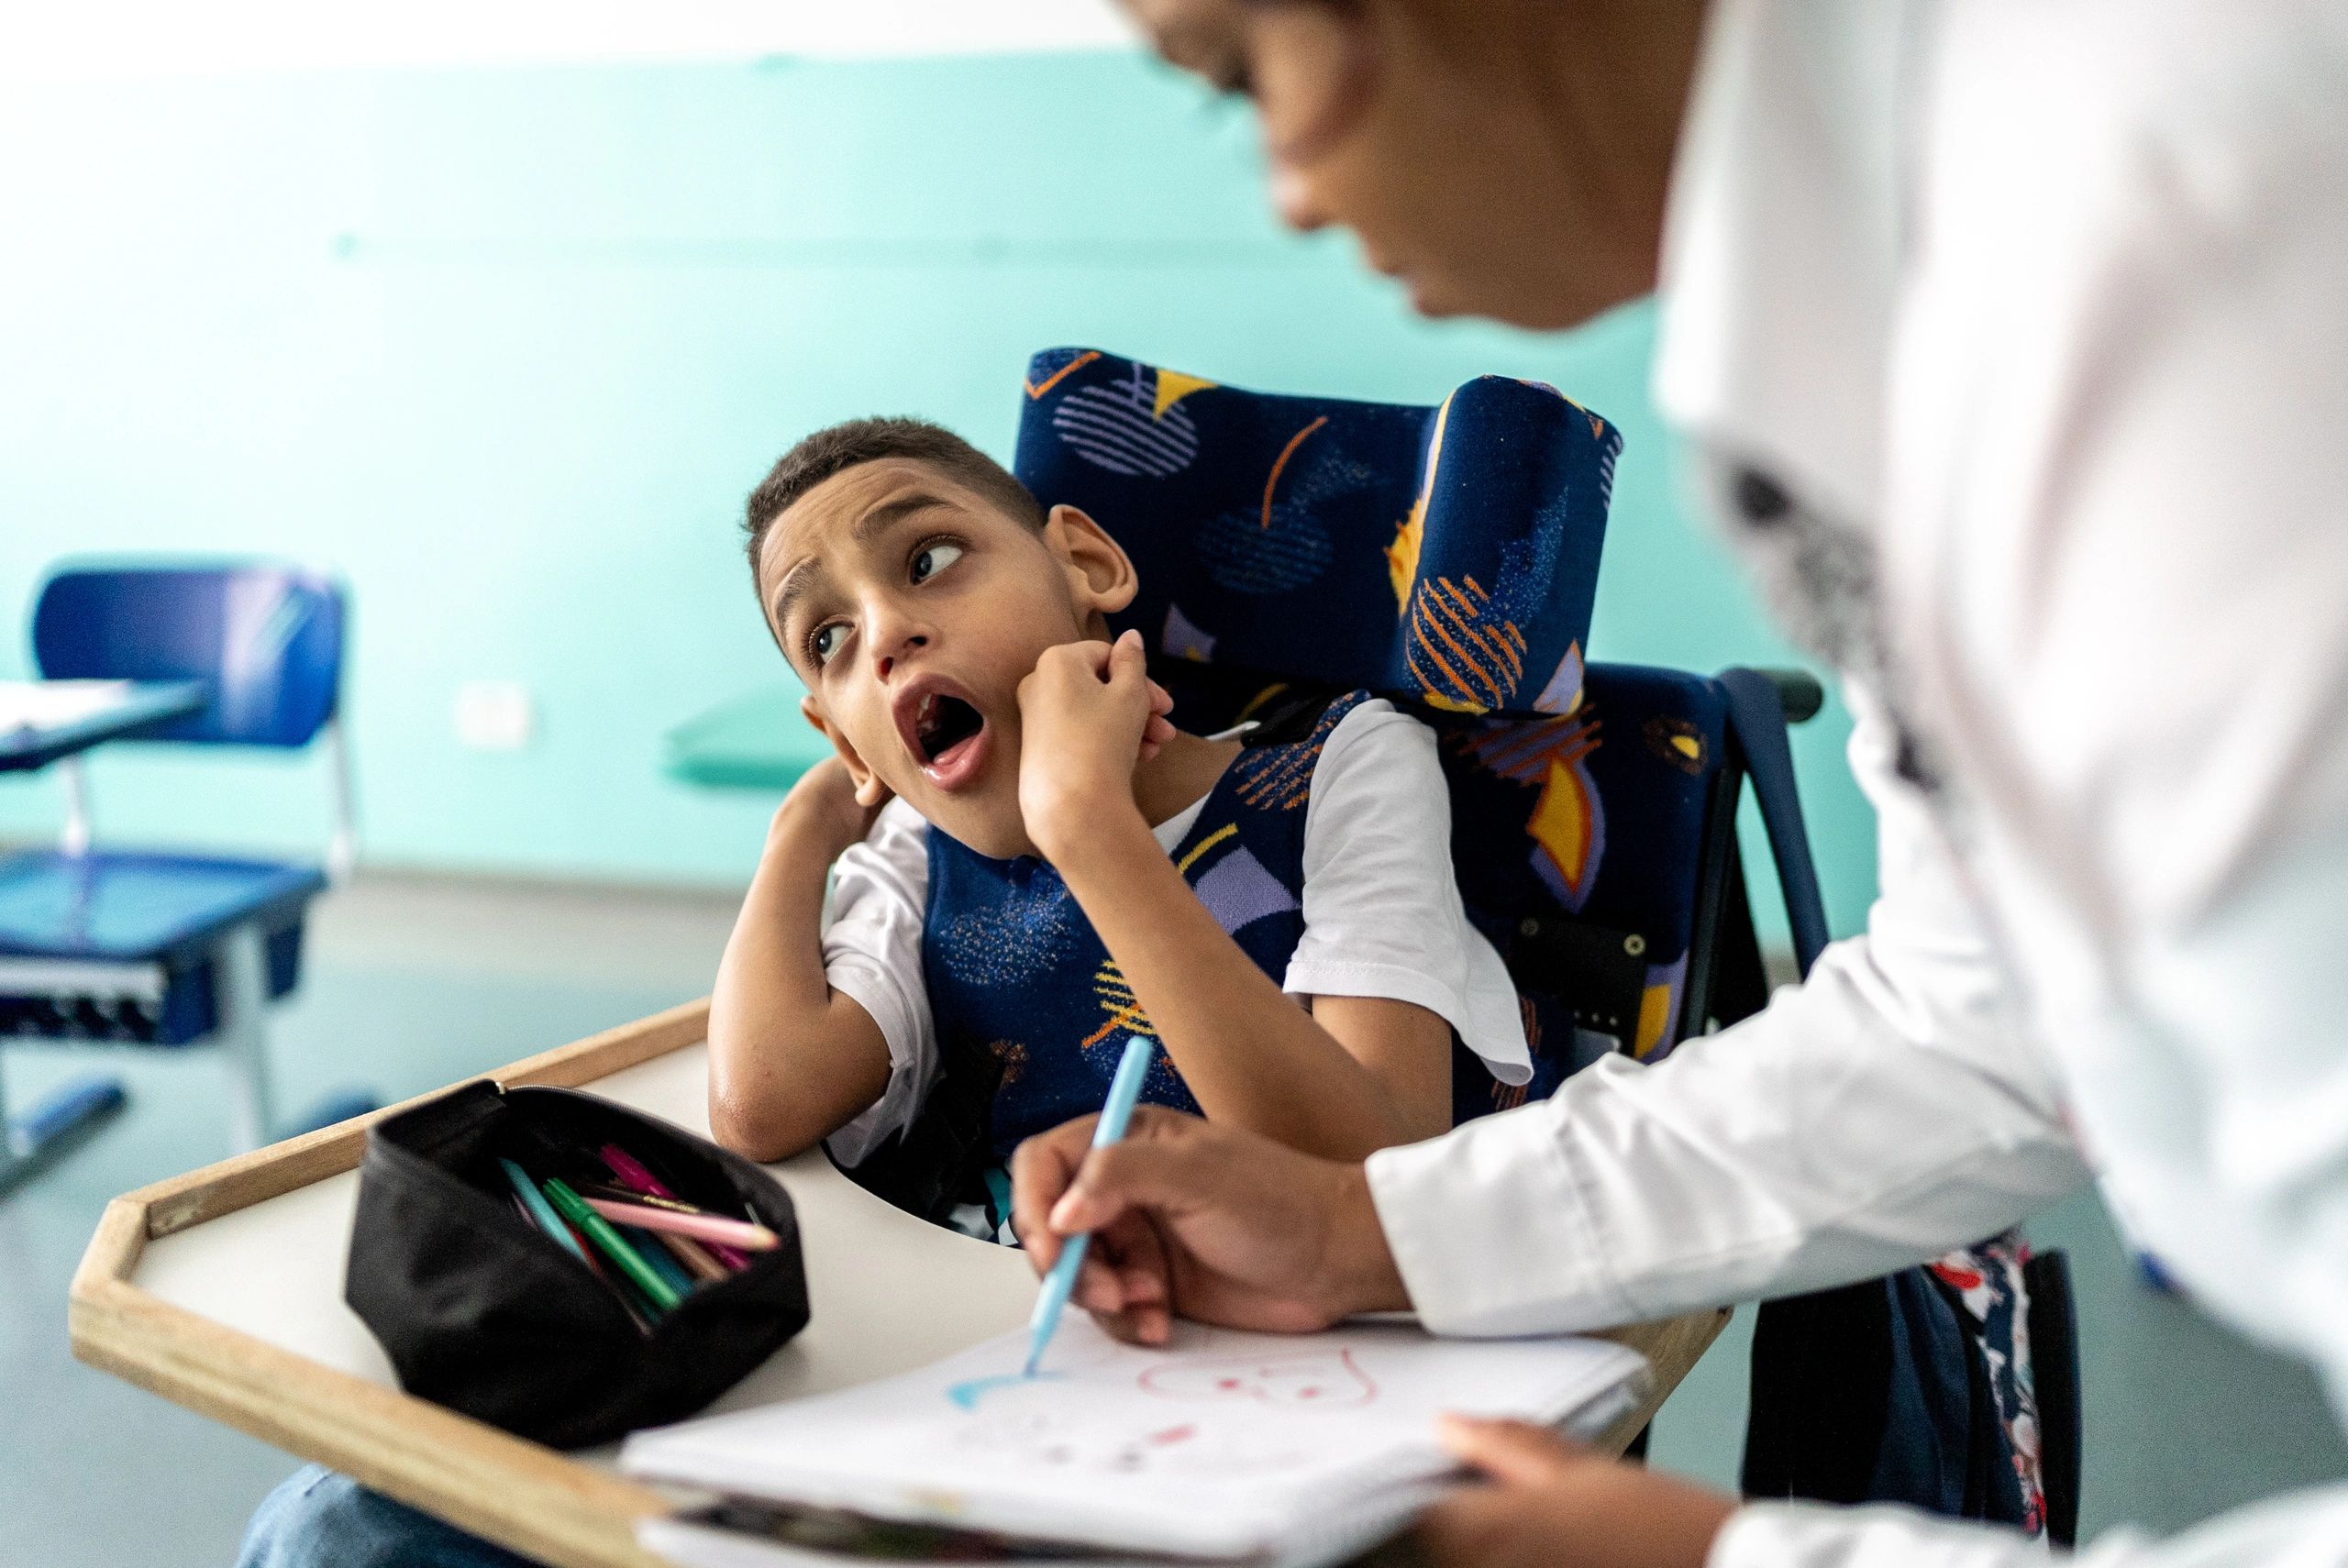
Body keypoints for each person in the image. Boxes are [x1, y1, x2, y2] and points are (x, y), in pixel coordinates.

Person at [1004, 1, 2348, 1566]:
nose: (1288, 194)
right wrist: (1361, 1234)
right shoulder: (1923, 248)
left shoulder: (2167, 241)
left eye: (1241, 77)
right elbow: (1987, 1018)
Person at [703, 415, 1534, 1237]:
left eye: (930, 560)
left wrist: (1087, 824)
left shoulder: (1344, 767)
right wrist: (805, 824)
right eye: (829, 637)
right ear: (848, 740)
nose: (884, 634)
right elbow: (764, 1103)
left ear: (1084, 565)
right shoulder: (918, 853)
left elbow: (1372, 1176)